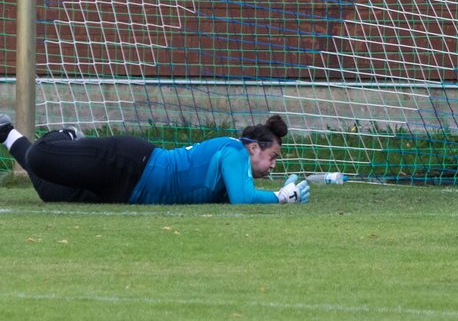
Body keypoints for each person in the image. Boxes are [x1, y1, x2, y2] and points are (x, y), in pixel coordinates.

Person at [0, 113, 309, 205]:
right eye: (272, 156)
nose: (273, 165)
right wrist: (281, 197)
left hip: (125, 193)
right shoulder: (234, 151)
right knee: (41, 158)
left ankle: (5, 132)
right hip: (132, 163)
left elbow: (241, 192)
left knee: (50, 190)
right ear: (253, 148)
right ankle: (68, 135)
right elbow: (244, 199)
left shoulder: (238, 171)